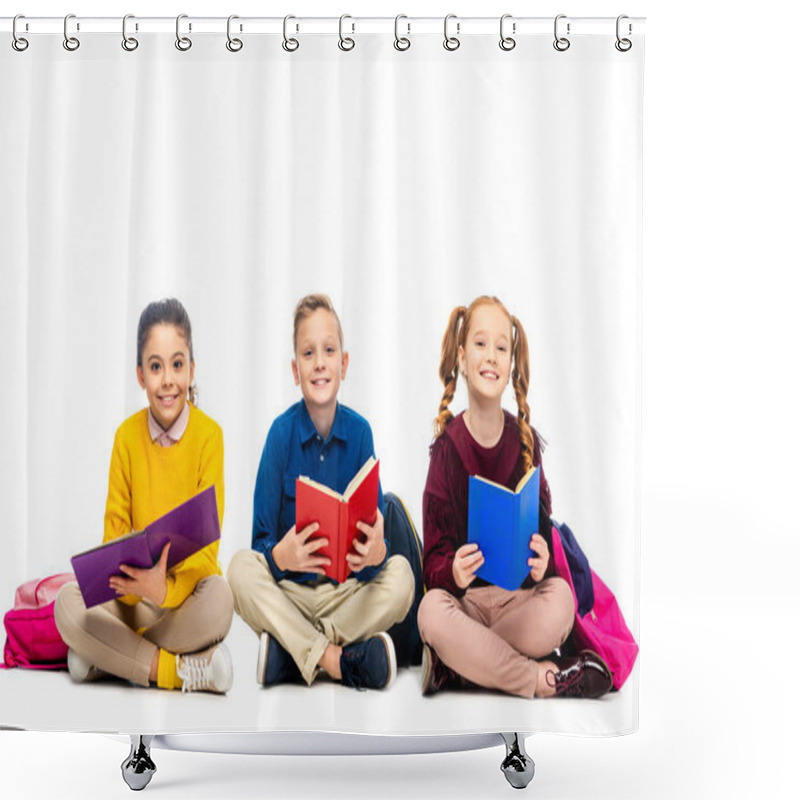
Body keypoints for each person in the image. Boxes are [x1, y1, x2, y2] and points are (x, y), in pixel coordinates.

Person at [417, 296, 613, 699]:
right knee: (430, 613)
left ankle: (460, 667)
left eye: (501, 347)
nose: (491, 356)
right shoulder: (447, 452)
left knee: (561, 599)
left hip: (517, 603)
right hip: (465, 604)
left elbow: (542, 541)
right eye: (480, 344)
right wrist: (453, 570)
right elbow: (431, 564)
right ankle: (542, 681)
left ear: (511, 366)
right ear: (461, 357)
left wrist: (542, 565)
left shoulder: (525, 442)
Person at [228, 293, 414, 690]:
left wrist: (377, 552)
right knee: (239, 570)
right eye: (308, 354)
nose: (319, 363)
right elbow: (259, 543)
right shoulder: (280, 436)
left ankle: (295, 652)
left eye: (329, 351)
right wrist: (281, 555)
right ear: (295, 370)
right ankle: (335, 658)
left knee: (403, 578)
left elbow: (375, 549)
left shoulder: (361, 433)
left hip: (345, 596)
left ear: (343, 364)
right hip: (291, 593)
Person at [55, 298, 234, 693]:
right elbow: (114, 535)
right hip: (132, 600)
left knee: (222, 598)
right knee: (67, 605)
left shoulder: (210, 437)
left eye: (176, 364)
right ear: (140, 375)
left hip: (184, 601)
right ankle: (177, 670)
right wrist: (137, 586)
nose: (167, 380)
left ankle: (110, 657)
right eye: (155, 367)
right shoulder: (126, 437)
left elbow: (206, 555)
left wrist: (164, 589)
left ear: (191, 369)